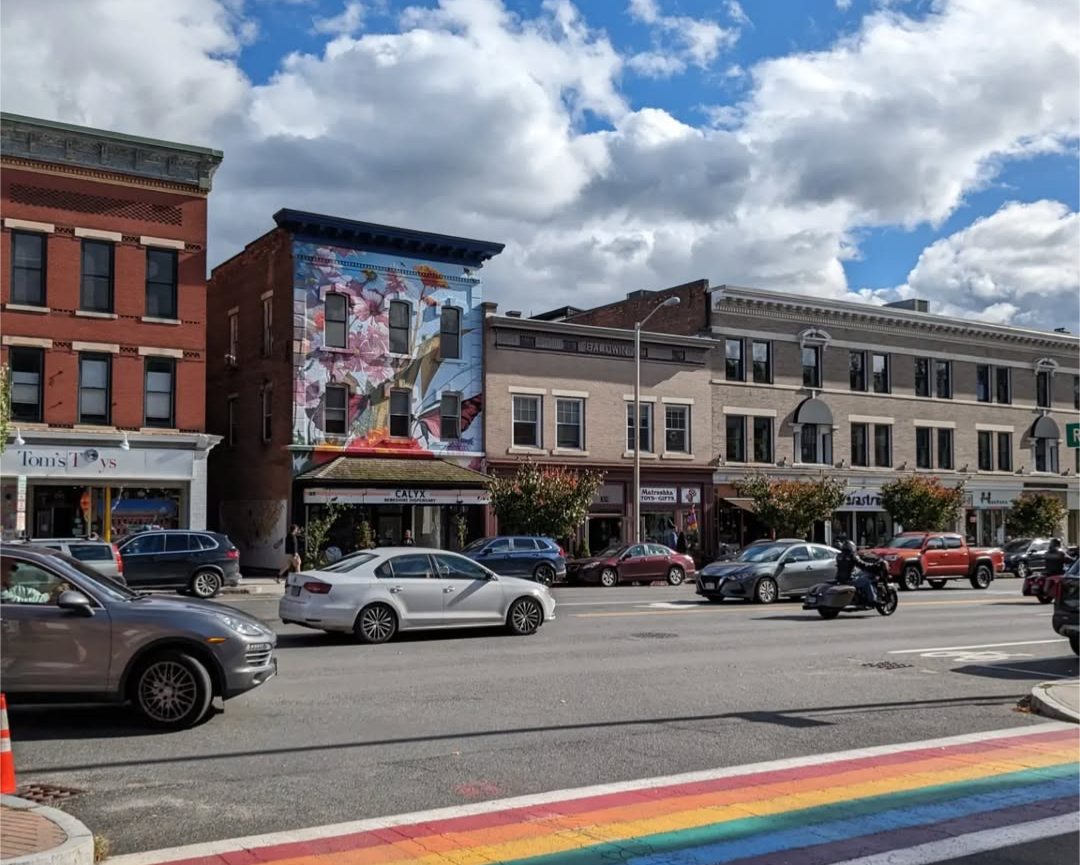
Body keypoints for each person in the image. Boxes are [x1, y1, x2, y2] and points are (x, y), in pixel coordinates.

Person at [836, 532, 877, 606]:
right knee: (867, 582)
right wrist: (872, 566)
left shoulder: (839, 556)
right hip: (849, 579)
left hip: (840, 579)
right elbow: (862, 565)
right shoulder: (852, 556)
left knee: (859, 576)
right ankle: (872, 600)